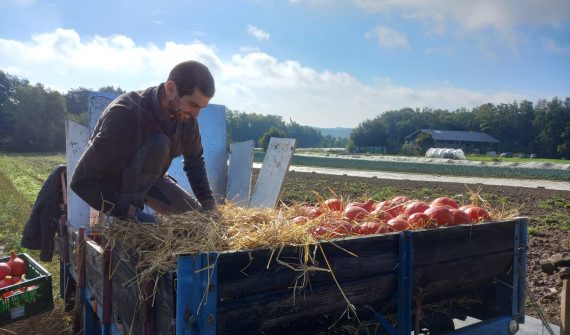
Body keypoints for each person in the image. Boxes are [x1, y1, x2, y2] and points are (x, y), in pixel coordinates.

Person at [70, 60, 217, 224]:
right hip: (114, 187)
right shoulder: (125, 115)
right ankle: (128, 225)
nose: (196, 115)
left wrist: (209, 206)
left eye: (201, 108)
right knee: (159, 143)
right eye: (193, 105)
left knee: (197, 222)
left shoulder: (186, 117)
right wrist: (130, 213)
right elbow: (82, 182)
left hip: (151, 178)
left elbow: (194, 161)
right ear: (170, 89)